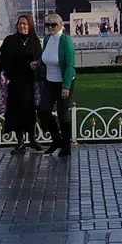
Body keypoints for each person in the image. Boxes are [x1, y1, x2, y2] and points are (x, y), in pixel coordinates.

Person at [0, 14, 42, 153]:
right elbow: (2, 59)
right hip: (14, 82)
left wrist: (37, 66)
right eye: (20, 23)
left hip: (29, 81)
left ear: (30, 26)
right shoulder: (10, 40)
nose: (22, 26)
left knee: (29, 111)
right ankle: (20, 142)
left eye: (25, 24)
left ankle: (32, 139)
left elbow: (40, 59)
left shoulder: (34, 41)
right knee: (15, 111)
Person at [38, 13, 76, 157]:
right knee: (43, 110)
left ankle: (66, 145)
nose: (50, 27)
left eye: (53, 25)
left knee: (62, 114)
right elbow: (46, 57)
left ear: (60, 26)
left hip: (63, 81)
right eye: (47, 25)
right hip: (49, 81)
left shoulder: (66, 41)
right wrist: (38, 62)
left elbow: (70, 65)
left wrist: (66, 86)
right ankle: (56, 140)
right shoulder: (47, 39)